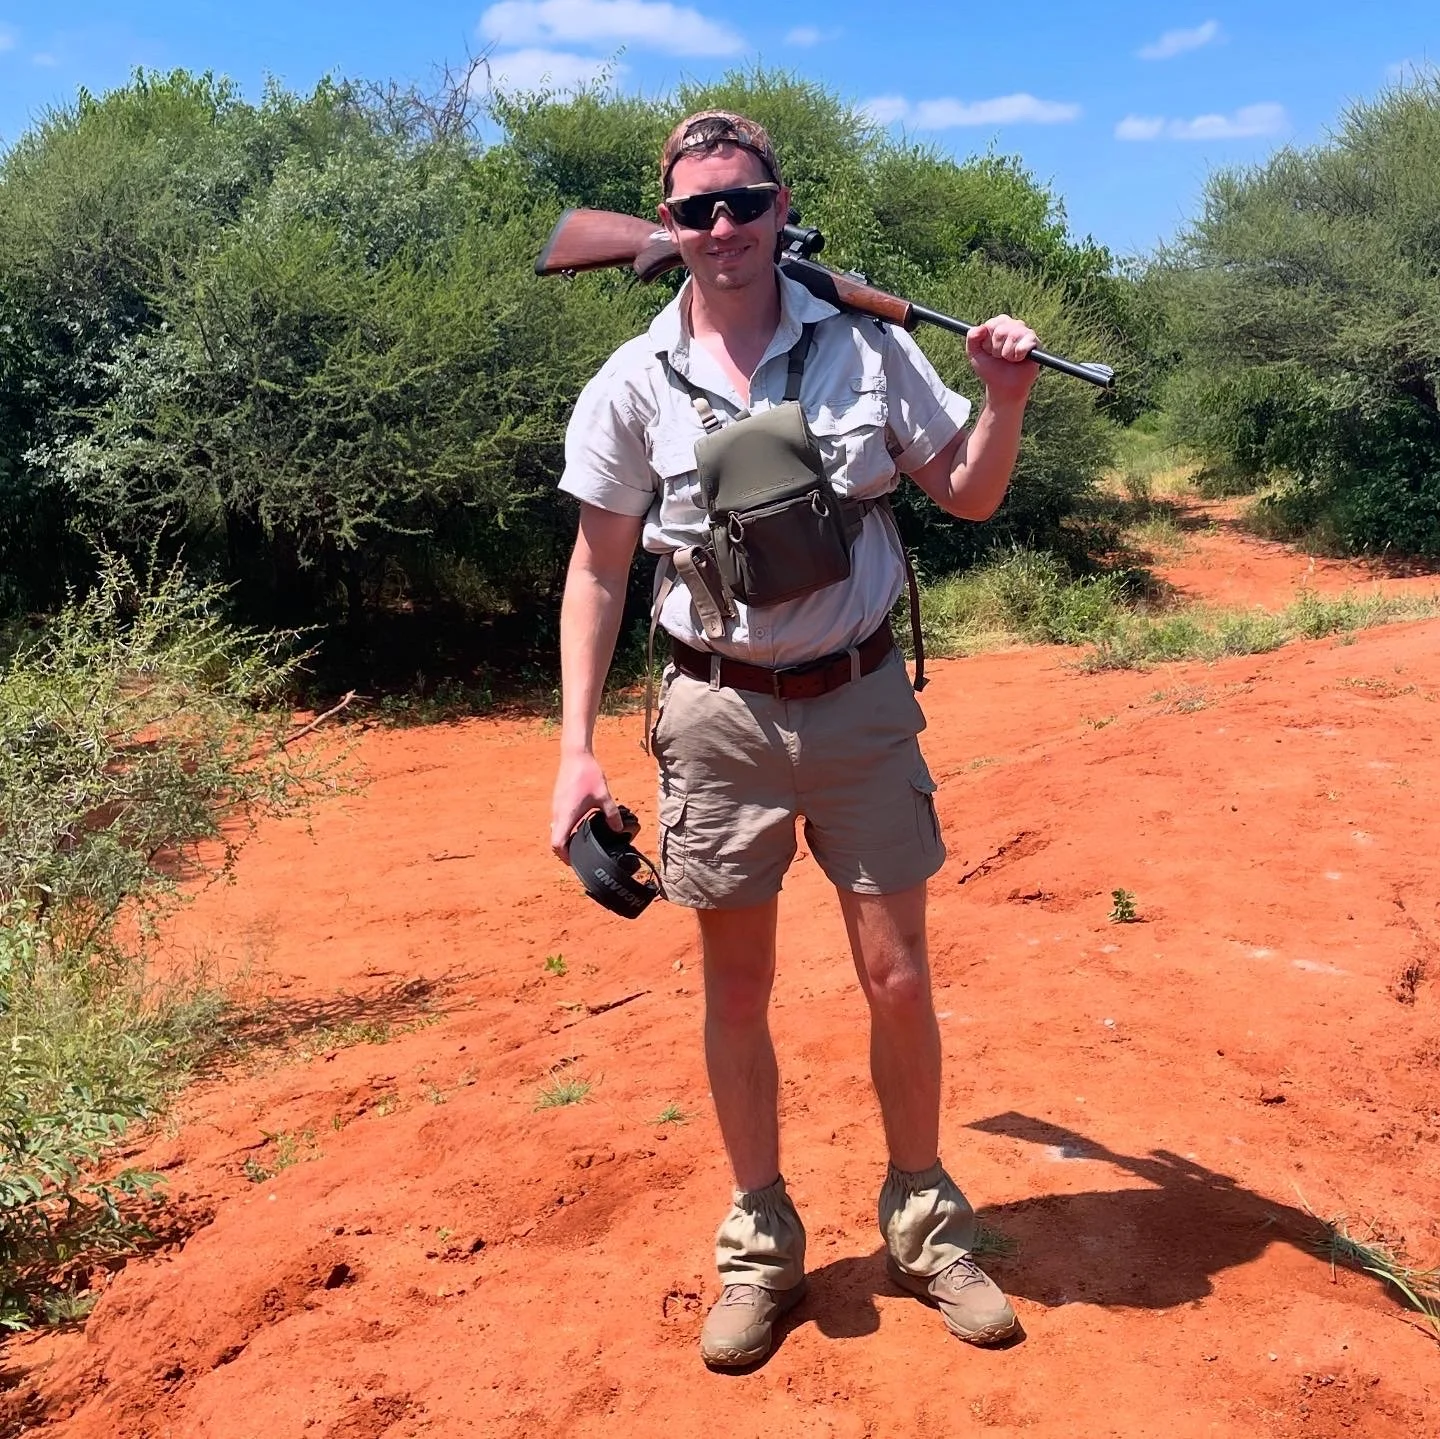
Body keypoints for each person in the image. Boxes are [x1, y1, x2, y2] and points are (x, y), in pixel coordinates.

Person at [549, 110, 1040, 1369]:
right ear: (666, 226)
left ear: (781, 208)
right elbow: (598, 571)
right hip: (714, 715)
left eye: (744, 202)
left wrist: (1002, 398)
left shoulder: (870, 349)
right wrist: (575, 748)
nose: (723, 228)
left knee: (900, 976)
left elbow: (970, 494)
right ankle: (759, 1244)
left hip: (863, 699)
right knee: (737, 988)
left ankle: (925, 1225)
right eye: (697, 208)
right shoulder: (632, 379)